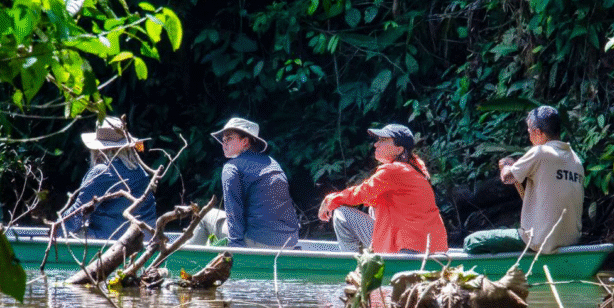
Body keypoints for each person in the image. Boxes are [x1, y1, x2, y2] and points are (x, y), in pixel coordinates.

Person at [464, 105, 584, 254]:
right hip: (571, 242)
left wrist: (506, 165)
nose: (529, 137)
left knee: (471, 241)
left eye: (529, 132)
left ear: (538, 132)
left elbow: (507, 178)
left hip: (539, 241)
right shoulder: (576, 160)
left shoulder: (540, 152)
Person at [318, 124, 448, 254]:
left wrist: (329, 199)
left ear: (399, 149)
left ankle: (352, 265)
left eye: (383, 140)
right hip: (432, 248)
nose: (376, 145)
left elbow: (361, 194)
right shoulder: (416, 168)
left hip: (408, 247)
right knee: (373, 207)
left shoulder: (395, 170)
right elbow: (370, 199)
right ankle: (372, 256)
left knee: (341, 213)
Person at [189, 117, 300, 249]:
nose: (224, 144)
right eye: (223, 140)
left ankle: (183, 262)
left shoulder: (232, 167)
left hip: (258, 242)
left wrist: (236, 245)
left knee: (205, 215)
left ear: (245, 141)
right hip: (289, 242)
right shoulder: (273, 163)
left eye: (229, 138)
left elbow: (233, 211)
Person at [58, 116, 157, 240]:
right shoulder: (139, 170)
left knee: (72, 234)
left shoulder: (103, 171)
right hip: (147, 240)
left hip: (115, 242)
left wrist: (54, 233)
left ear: (99, 149)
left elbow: (77, 215)